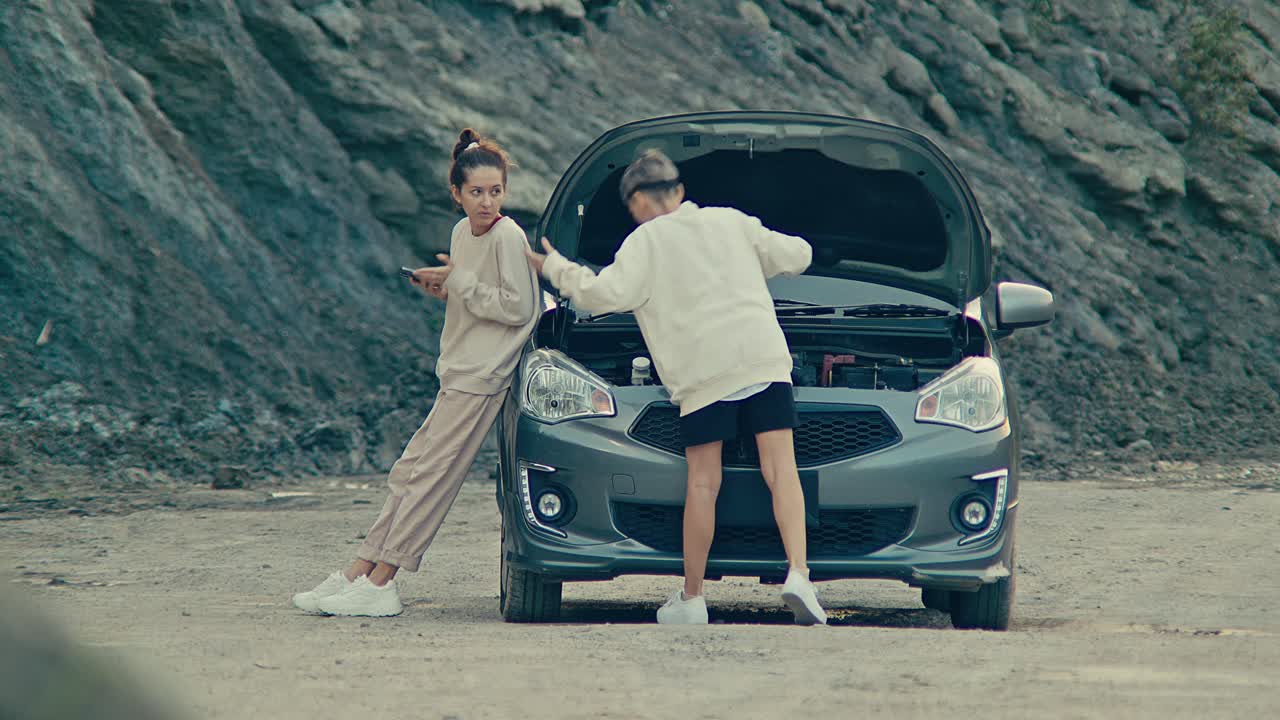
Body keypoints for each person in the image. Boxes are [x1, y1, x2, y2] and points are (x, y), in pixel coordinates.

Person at [525, 150, 827, 625]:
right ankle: (799, 575)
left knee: (704, 483)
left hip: (704, 377)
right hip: (762, 359)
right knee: (781, 470)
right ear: (680, 193)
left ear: (636, 204)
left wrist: (555, 267)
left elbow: (601, 296)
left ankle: (693, 599)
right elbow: (800, 256)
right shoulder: (730, 221)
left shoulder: (644, 243)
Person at [292, 128, 540, 617]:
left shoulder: (509, 236)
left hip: (483, 376)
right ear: (456, 194)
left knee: (431, 478)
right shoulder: (460, 233)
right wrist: (445, 288)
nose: (487, 202)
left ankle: (384, 583)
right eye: (476, 192)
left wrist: (463, 282)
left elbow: (520, 308)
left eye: (495, 191)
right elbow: (475, 297)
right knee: (410, 472)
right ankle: (358, 571)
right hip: (457, 369)